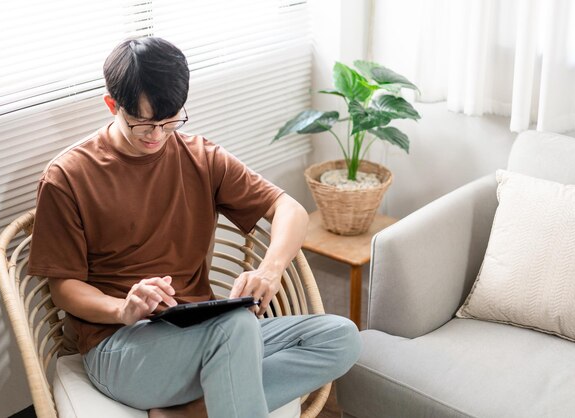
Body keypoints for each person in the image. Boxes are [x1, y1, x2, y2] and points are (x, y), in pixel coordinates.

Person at [27, 36, 362, 417]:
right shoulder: (67, 177)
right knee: (237, 327)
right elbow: (63, 289)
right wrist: (123, 309)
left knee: (339, 338)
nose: (156, 136)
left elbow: (290, 209)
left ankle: (191, 412)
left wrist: (269, 272)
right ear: (112, 105)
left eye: (170, 122)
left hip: (204, 334)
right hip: (120, 347)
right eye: (144, 125)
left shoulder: (201, 156)